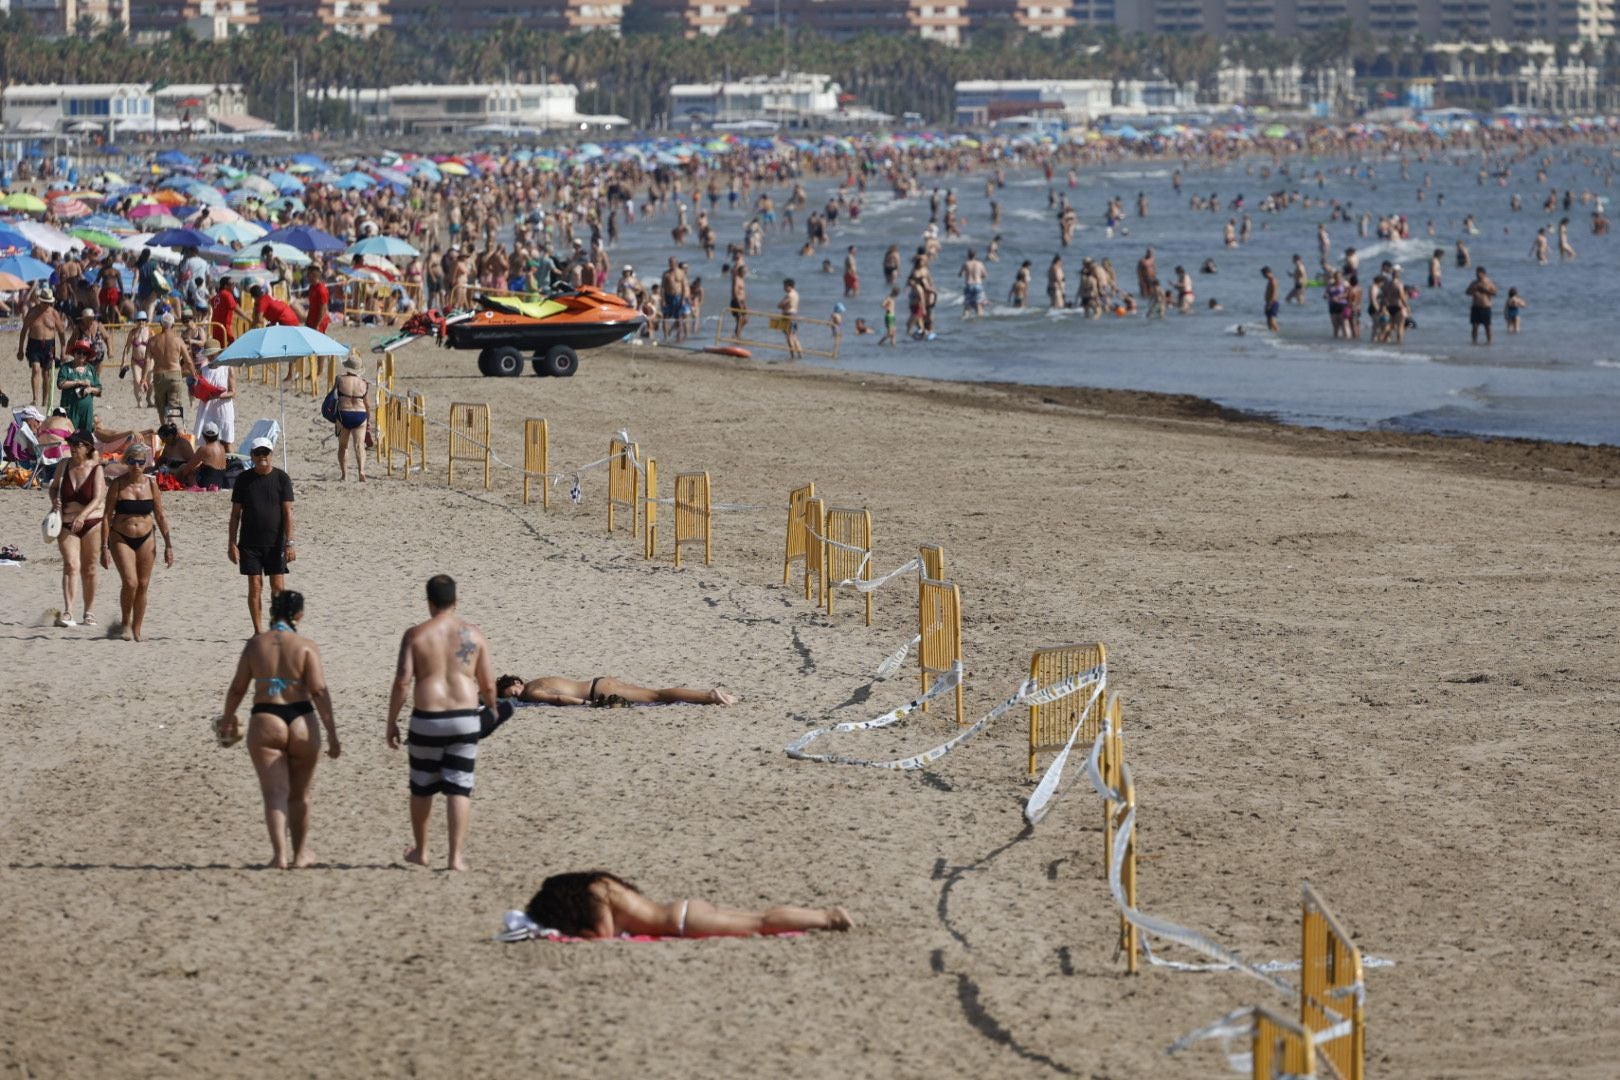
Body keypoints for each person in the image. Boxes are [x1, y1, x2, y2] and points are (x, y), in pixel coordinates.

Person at [218, 590, 341, 870]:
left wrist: (227, 718)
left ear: (272, 613)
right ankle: (300, 855)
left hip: (266, 717)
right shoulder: (306, 646)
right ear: (299, 614)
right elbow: (319, 690)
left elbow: (238, 687)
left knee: (274, 794)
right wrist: (332, 733)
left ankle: (279, 855)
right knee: (300, 795)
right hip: (301, 718)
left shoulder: (255, 645)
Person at [387, 574, 498, 873]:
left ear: (429, 602)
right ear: (456, 601)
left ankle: (422, 851)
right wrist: (492, 711)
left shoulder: (416, 635)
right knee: (459, 788)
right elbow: (487, 684)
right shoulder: (474, 634)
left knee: (422, 786)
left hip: (427, 718)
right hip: (464, 718)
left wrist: (392, 721)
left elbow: (402, 682)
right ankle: (455, 858)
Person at [522, 871, 852, 939]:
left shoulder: (594, 899)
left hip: (681, 922)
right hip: (682, 908)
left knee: (761, 924)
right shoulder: (603, 884)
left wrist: (582, 935)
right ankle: (823, 916)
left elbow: (604, 934)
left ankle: (826, 918)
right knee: (760, 918)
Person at [101, 443, 174, 641]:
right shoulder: (118, 484)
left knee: (143, 584)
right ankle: (125, 622)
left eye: (140, 462)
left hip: (146, 538)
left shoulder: (151, 485)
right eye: (132, 461)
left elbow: (160, 515)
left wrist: (168, 545)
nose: (136, 466)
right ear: (127, 462)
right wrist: (104, 547)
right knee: (130, 582)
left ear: (146, 463)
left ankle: (137, 628)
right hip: (120, 537)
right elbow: (107, 517)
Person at [229, 437, 295, 635]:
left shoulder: (282, 478)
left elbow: (288, 513)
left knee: (278, 587)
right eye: (257, 453)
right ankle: (258, 631)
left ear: (271, 455)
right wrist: (232, 543)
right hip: (249, 543)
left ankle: (278, 627)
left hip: (275, 543)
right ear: (252, 456)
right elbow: (235, 515)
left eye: (265, 453)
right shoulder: (243, 479)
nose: (262, 457)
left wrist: (289, 543)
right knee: (255, 587)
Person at [47, 431, 104, 628]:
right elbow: (53, 487)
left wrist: (83, 516)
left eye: (76, 444)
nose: (72, 447)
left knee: (89, 568)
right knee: (71, 565)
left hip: (92, 523)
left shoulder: (96, 469)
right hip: (66, 523)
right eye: (70, 443)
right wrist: (55, 500)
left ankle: (89, 611)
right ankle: (68, 610)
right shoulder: (63, 465)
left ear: (87, 447)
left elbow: (98, 498)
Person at [496, 674, 737, 707]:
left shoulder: (531, 693)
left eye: (514, 692)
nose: (518, 696)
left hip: (595, 693)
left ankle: (709, 696)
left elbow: (559, 698)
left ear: (517, 684)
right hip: (599, 680)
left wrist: (584, 705)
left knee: (658, 696)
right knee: (655, 692)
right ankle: (716, 696)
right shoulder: (539, 679)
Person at [18, 287, 67, 408]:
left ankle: (45, 400)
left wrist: (63, 351)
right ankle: (35, 398)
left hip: (49, 346)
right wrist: (20, 349)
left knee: (47, 374)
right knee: (35, 369)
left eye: (48, 302)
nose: (46, 305)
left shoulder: (54, 314)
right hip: (34, 344)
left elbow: (61, 333)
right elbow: (24, 331)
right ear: (40, 301)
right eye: (44, 302)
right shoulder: (32, 312)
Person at [147, 312, 194, 424]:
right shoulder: (178, 340)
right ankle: (173, 428)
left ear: (160, 324)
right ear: (173, 325)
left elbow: (147, 360)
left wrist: (144, 378)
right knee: (174, 407)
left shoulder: (152, 341)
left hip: (159, 375)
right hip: (174, 375)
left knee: (161, 408)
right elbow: (188, 361)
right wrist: (194, 374)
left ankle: (165, 431)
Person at [332, 353, 369, 482]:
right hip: (360, 414)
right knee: (360, 445)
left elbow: (332, 396)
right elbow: (366, 403)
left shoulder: (339, 379)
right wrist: (367, 420)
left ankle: (344, 474)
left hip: (344, 414)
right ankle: (361, 471)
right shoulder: (364, 383)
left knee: (343, 446)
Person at [191, 350, 235, 451]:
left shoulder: (227, 368)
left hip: (223, 409)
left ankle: (232, 466)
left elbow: (233, 392)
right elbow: (197, 390)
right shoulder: (203, 369)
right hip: (207, 410)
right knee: (207, 442)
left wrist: (216, 396)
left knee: (226, 442)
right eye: (208, 355)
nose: (210, 357)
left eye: (212, 354)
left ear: (218, 353)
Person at [55, 339, 101, 435]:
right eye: (79, 352)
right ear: (74, 353)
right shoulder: (66, 367)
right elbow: (60, 384)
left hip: (87, 411)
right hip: (70, 408)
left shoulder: (91, 369)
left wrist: (90, 389)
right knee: (70, 434)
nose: (81, 355)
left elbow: (99, 389)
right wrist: (78, 382)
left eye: (84, 353)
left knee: (86, 435)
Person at [177, 422, 229, 489]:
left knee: (183, 468)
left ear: (203, 435)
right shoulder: (222, 447)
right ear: (217, 435)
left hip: (207, 484)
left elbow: (188, 468)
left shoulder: (204, 449)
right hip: (220, 482)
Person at [121, 310, 154, 407]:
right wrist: (124, 361)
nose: (141, 322)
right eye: (139, 320)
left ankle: (149, 399)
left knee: (150, 381)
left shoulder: (150, 331)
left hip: (149, 360)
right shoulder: (132, 333)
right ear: (136, 321)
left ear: (146, 321)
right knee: (137, 381)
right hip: (136, 361)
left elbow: (156, 347)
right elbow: (127, 348)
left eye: (143, 320)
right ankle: (139, 401)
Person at [1465, 266, 1497, 346]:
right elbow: (1467, 292)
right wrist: (1474, 290)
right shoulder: (1474, 283)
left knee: (1487, 326)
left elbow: (1495, 293)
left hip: (1486, 307)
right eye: (1476, 274)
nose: (1477, 276)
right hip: (1475, 307)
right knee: (1475, 326)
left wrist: (1484, 290)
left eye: (1479, 274)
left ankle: (1489, 342)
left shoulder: (1489, 282)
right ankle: (1474, 342)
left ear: (1483, 274)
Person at [777, 278, 802, 359]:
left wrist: (780, 304)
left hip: (788, 316)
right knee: (794, 336)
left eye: (785, 286)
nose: (783, 288)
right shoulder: (796, 294)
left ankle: (792, 354)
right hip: (794, 315)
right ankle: (800, 353)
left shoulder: (789, 295)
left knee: (789, 336)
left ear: (789, 286)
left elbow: (780, 305)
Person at [1261, 266, 1280, 333]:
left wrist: (1270, 303)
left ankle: (1278, 334)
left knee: (1272, 321)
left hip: (1273, 303)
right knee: (1269, 323)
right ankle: (1273, 336)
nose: (1263, 276)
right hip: (1268, 302)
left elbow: (1274, 293)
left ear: (1268, 273)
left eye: (1264, 274)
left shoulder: (1273, 281)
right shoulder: (1270, 281)